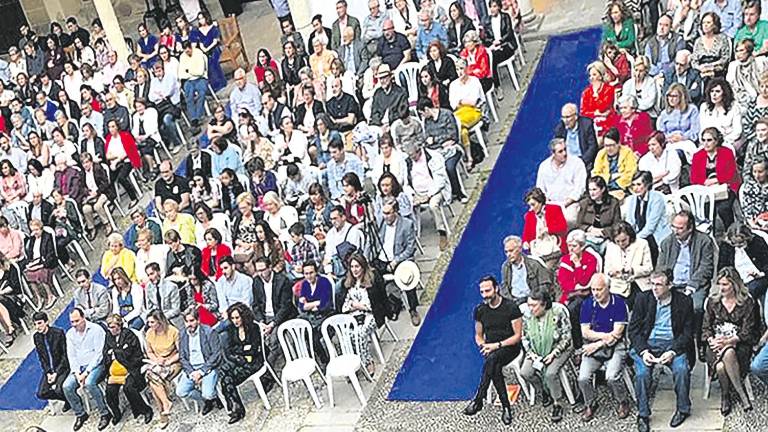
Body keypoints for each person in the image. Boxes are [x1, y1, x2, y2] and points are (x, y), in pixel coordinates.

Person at [629, 270, 695, 432]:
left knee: (681, 369)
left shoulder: (684, 301)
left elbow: (688, 333)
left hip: (673, 344)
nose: (654, 288)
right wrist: (644, 351)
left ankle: (683, 409)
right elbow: (633, 331)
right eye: (652, 283)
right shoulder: (643, 299)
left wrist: (673, 351)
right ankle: (643, 414)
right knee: (642, 374)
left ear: (670, 285)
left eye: (659, 284)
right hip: (647, 344)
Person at [462, 275, 522, 425]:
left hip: (509, 347)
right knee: (493, 365)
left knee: (492, 360)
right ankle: (505, 407)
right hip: (491, 350)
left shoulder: (511, 307)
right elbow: (478, 335)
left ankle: (479, 398)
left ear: (496, 289)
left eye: (488, 291)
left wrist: (497, 345)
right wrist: (483, 345)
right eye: (482, 292)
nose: (485, 295)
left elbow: (517, 336)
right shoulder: (480, 310)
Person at [657, 209, 715, 360]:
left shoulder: (704, 241)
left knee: (696, 307)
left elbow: (706, 268)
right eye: (674, 227)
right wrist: (666, 285)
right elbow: (661, 268)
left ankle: (700, 342)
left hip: (694, 284)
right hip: (672, 284)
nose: (676, 231)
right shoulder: (667, 242)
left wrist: (691, 287)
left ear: (690, 228)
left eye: (680, 228)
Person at [702, 267, 760, 415]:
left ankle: (726, 396)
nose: (722, 288)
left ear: (735, 285)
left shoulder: (746, 302)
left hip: (740, 346)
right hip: (715, 346)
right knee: (723, 359)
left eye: (725, 284)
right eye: (720, 284)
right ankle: (742, 396)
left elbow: (749, 331)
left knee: (723, 362)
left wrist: (730, 341)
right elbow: (705, 328)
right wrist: (711, 340)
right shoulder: (713, 302)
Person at [576, 273, 631, 421]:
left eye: (599, 289)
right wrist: (605, 337)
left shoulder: (619, 303)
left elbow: (618, 334)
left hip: (615, 347)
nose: (595, 293)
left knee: (611, 377)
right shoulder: (587, 304)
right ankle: (590, 403)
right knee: (582, 378)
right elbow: (585, 332)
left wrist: (597, 344)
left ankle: (622, 401)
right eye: (593, 289)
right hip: (594, 345)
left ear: (608, 288)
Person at [518, 289, 572, 423]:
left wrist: (554, 354)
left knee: (550, 373)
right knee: (525, 372)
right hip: (536, 349)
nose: (531, 309)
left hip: (558, 348)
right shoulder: (527, 314)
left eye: (534, 306)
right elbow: (524, 337)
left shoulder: (559, 312)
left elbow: (567, 337)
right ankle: (543, 390)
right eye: (529, 305)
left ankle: (557, 403)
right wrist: (531, 354)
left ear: (544, 305)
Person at [338, 254, 389, 375]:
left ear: (363, 267)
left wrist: (360, 306)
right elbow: (344, 305)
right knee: (346, 335)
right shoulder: (348, 283)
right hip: (354, 315)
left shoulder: (372, 280)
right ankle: (353, 364)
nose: (354, 270)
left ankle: (367, 361)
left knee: (360, 333)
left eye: (357, 266)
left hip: (372, 315)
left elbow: (378, 303)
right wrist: (352, 306)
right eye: (352, 267)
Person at [219, 303, 268, 424]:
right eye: (233, 318)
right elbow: (230, 350)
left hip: (254, 362)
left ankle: (235, 407)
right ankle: (236, 407)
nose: (235, 321)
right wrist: (243, 351)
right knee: (225, 373)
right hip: (240, 361)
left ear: (243, 316)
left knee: (227, 378)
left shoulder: (253, 328)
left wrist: (240, 351)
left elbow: (254, 349)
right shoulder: (231, 329)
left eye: (237, 318)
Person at [63, 307, 111, 431]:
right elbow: (71, 355)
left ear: (83, 318)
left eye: (77, 321)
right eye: (72, 322)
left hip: (95, 365)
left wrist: (87, 372)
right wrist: (77, 372)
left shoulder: (96, 330)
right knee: (67, 386)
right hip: (80, 367)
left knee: (90, 383)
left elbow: (99, 354)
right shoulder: (70, 334)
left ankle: (104, 412)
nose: (74, 324)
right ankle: (80, 413)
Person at [102, 314, 153, 426]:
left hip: (132, 366)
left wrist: (115, 353)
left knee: (129, 387)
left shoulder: (128, 335)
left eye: (113, 327)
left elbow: (132, 353)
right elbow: (106, 353)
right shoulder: (108, 336)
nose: (111, 330)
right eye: (109, 327)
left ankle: (145, 410)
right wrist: (118, 352)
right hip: (116, 369)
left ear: (119, 326)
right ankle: (116, 413)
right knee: (110, 390)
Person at [402, 139, 452, 250]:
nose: (411, 158)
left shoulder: (433, 157)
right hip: (417, 193)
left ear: (419, 150)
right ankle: (414, 235)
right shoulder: (408, 162)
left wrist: (428, 195)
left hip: (434, 190)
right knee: (406, 204)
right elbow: (406, 183)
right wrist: (413, 195)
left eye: (413, 155)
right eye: (409, 155)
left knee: (433, 205)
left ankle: (442, 231)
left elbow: (440, 181)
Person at [176, 306, 224, 415]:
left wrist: (201, 371)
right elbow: (182, 357)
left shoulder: (209, 332)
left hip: (208, 367)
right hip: (192, 369)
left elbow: (216, 355)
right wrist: (192, 372)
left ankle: (211, 397)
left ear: (198, 320)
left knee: (208, 393)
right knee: (181, 392)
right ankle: (207, 401)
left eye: (192, 320)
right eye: (186, 321)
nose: (189, 324)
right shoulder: (182, 334)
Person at [690, 127, 739, 229]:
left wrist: (717, 180)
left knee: (724, 208)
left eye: (709, 140)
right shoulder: (697, 156)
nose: (706, 143)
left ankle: (730, 231)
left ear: (716, 141)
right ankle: (710, 233)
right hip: (706, 190)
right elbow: (694, 178)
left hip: (725, 188)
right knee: (705, 209)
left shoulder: (727, 152)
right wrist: (705, 182)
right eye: (703, 140)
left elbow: (731, 174)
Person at [251, 256, 295, 362]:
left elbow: (286, 306)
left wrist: (273, 323)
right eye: (258, 270)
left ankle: (269, 371)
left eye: (263, 270)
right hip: (264, 317)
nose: (261, 273)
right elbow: (256, 305)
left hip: (280, 317)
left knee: (273, 340)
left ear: (270, 267)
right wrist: (261, 321)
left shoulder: (283, 280)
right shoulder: (256, 281)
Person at [500, 235, 558, 305]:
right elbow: (504, 287)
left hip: (533, 301)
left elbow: (545, 285)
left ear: (520, 249)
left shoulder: (534, 264)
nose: (508, 254)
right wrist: (511, 302)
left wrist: (532, 298)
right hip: (514, 302)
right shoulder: (505, 267)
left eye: (511, 251)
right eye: (506, 252)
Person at [297, 260, 334, 364]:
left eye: (311, 273)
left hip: (325, 315)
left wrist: (311, 305)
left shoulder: (324, 282)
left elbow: (326, 303)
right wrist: (316, 303)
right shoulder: (304, 284)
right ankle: (312, 358)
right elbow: (301, 305)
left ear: (316, 272)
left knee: (314, 337)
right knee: (303, 331)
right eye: (306, 273)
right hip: (311, 316)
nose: (309, 276)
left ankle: (325, 360)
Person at [33, 311, 70, 407]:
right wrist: (48, 372)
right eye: (35, 324)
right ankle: (67, 399)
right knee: (41, 393)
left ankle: (71, 400)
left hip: (62, 367)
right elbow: (42, 358)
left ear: (46, 322)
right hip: (50, 370)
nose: (37, 327)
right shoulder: (37, 337)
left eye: (40, 323)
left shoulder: (58, 333)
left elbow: (65, 356)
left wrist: (56, 373)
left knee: (59, 389)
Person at [576, 176, 622, 251]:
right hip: (588, 236)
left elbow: (617, 225)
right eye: (590, 190)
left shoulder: (613, 203)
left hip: (607, 237)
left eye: (594, 189)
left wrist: (602, 231)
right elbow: (578, 224)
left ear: (602, 189)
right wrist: (589, 229)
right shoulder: (584, 203)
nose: (592, 193)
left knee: (612, 248)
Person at [521, 187, 568, 260]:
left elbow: (563, 227)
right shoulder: (529, 215)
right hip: (538, 249)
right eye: (529, 205)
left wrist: (548, 229)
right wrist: (526, 242)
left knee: (545, 268)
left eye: (533, 204)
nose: (531, 208)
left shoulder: (555, 209)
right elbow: (526, 234)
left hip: (555, 248)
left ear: (540, 202)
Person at [591, 127, 638, 200]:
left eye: (612, 145)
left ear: (618, 143)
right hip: (603, 190)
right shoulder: (601, 154)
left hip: (624, 189)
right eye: (606, 145)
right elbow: (596, 174)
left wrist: (614, 184)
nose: (608, 149)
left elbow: (630, 174)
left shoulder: (627, 152)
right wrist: (611, 177)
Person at [23, 219, 58, 310]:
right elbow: (29, 254)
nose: (35, 232)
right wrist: (30, 264)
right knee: (28, 273)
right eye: (33, 230)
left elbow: (51, 254)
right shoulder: (32, 239)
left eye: (36, 230)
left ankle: (50, 295)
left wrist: (41, 265)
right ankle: (39, 297)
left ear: (41, 229)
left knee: (39, 273)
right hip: (36, 261)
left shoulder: (47, 237)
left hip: (47, 262)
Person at [554, 102, 598, 170]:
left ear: (576, 116)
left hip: (584, 161)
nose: (565, 120)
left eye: (568, 117)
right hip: (567, 162)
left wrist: (579, 163)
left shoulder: (587, 124)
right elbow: (557, 149)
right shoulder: (560, 128)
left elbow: (593, 147)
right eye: (563, 117)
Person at [178, 41, 208, 134]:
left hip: (200, 78)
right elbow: (181, 74)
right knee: (188, 96)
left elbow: (200, 71)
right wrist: (190, 72)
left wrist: (189, 71)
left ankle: (197, 117)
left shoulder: (198, 53)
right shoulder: (182, 57)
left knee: (201, 93)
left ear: (191, 47)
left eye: (188, 49)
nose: (187, 51)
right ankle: (194, 119)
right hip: (189, 80)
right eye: (185, 50)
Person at [580, 61, 615, 135]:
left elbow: (603, 107)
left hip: (607, 123)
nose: (591, 78)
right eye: (590, 75)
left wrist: (596, 93)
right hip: (591, 123)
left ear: (601, 75)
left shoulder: (609, 89)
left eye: (594, 75)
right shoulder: (586, 92)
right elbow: (583, 112)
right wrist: (595, 113)